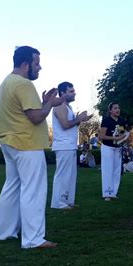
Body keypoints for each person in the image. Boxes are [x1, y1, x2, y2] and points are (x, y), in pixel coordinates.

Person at [0, 46, 65, 248]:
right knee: (33, 190)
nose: (40, 67)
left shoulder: (6, 82)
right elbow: (36, 117)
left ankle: (3, 232)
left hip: (10, 143)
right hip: (27, 144)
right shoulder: (23, 84)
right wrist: (49, 104)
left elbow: (27, 112)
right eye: (36, 63)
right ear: (25, 65)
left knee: (12, 187)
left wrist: (44, 102)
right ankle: (33, 239)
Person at [51, 81, 92, 209]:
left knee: (70, 175)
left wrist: (81, 120)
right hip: (63, 146)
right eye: (71, 91)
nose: (74, 93)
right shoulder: (59, 106)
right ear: (62, 93)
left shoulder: (68, 107)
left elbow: (71, 125)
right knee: (63, 175)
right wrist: (79, 118)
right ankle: (59, 203)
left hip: (70, 145)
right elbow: (65, 124)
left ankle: (68, 201)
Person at [99, 102, 127, 201]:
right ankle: (107, 193)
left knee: (116, 171)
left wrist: (124, 138)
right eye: (115, 108)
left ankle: (114, 192)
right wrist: (114, 137)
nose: (117, 110)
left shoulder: (122, 121)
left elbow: (121, 134)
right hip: (107, 147)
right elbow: (101, 136)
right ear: (110, 110)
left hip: (118, 148)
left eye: (118, 108)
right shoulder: (106, 121)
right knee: (107, 170)